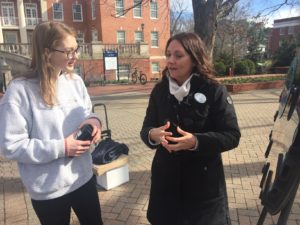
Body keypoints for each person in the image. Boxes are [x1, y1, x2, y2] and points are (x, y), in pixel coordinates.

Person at [0, 21, 103, 225]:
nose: (76, 56)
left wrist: (94, 121)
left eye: (76, 49)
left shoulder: (75, 81)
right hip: (48, 189)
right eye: (69, 51)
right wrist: (62, 147)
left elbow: (87, 112)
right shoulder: (20, 91)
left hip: (82, 177)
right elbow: (11, 146)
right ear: (47, 52)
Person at [140, 32, 241, 225]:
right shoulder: (159, 91)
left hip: (203, 191)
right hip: (166, 187)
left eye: (178, 55)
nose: (170, 60)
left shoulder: (213, 90)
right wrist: (152, 135)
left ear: (194, 59)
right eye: (168, 54)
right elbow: (146, 128)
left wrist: (196, 142)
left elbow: (232, 135)